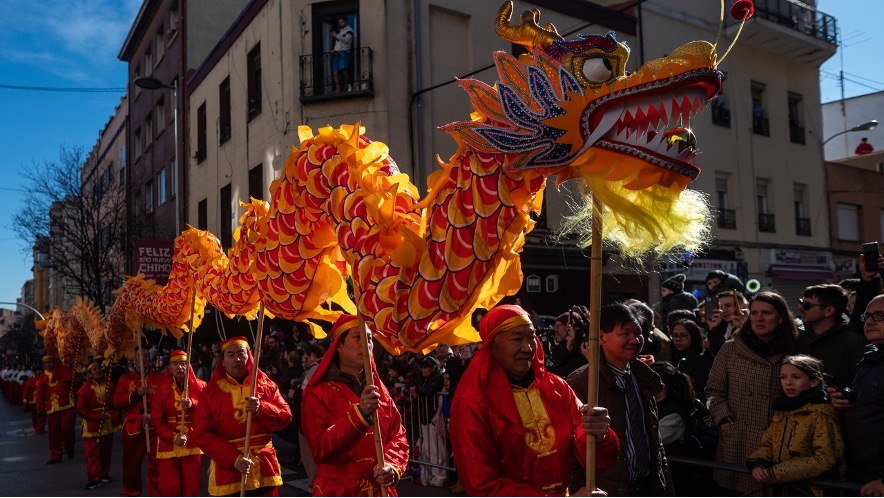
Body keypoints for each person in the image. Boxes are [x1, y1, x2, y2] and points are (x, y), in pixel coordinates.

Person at [450, 304, 619, 496]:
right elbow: (483, 486)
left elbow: (598, 459)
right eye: (517, 339)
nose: (528, 347)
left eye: (531, 337)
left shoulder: (556, 387)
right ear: (492, 345)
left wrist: (598, 434)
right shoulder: (472, 401)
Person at [567, 302, 675, 496]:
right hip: (607, 490)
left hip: (646, 487)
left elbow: (654, 441)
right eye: (625, 333)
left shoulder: (643, 377)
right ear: (602, 337)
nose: (635, 339)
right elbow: (569, 449)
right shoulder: (582, 383)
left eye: (638, 333)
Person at [301, 315, 409, 496]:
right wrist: (360, 414)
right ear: (339, 346)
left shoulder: (379, 389)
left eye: (370, 339)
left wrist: (391, 465)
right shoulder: (317, 393)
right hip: (337, 489)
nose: (366, 344)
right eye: (358, 337)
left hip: (379, 489)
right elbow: (320, 448)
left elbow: (397, 434)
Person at [706, 290, 801, 495]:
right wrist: (724, 420)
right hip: (738, 440)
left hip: (779, 440)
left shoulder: (795, 349)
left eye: (766, 313)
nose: (759, 318)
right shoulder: (731, 348)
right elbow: (713, 391)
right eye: (754, 312)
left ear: (781, 317)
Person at [193, 336, 292, 496]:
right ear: (222, 361)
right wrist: (234, 458)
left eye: (241, 353)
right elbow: (201, 434)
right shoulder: (210, 393)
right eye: (231, 355)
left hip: (264, 468)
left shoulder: (265, 385)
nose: (237, 359)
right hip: (228, 471)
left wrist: (262, 409)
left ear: (249, 356)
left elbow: (286, 417)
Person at [746, 355, 844, 496]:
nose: (788, 382)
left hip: (812, 490)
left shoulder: (820, 414)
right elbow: (768, 444)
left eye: (796, 377)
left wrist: (777, 472)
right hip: (784, 487)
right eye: (783, 377)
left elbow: (825, 459)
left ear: (813, 382)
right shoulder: (783, 410)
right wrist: (758, 463)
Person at [830, 294, 884, 496]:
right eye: (867, 316)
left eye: (879, 316)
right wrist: (847, 398)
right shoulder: (871, 356)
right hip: (861, 472)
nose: (869, 322)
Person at [152, 349, 206, 497]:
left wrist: (193, 404)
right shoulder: (162, 390)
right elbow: (157, 420)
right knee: (168, 487)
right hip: (168, 443)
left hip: (192, 443)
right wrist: (173, 437)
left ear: (189, 365)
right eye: (175, 363)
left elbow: (209, 414)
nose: (179, 367)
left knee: (191, 487)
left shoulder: (201, 387)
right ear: (169, 367)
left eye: (183, 363)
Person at [113, 347, 164, 497]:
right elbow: (116, 402)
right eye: (140, 356)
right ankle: (131, 492)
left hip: (154, 425)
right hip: (133, 424)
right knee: (131, 463)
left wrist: (154, 415)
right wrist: (136, 394)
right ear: (134, 359)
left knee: (157, 463)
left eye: (146, 355)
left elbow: (165, 401)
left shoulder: (159, 378)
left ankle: (156, 494)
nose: (143, 359)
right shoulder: (125, 379)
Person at [797, 284, 868, 389]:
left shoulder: (854, 342)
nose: (800, 308)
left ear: (828, 311)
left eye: (807, 305)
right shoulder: (796, 336)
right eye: (801, 302)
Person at [77, 362, 121, 490]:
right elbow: (81, 409)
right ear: (89, 374)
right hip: (92, 425)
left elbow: (117, 402)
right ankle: (93, 478)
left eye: (99, 369)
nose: (98, 371)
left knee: (106, 451)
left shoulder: (109, 385)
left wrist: (110, 399)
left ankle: (104, 473)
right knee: (91, 453)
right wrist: (97, 416)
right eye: (94, 370)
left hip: (108, 424)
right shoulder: (85, 389)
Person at [409, 356, 447, 487]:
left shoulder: (438, 377)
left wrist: (417, 389)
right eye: (422, 368)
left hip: (433, 417)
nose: (423, 370)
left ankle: (441, 475)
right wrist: (415, 388)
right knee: (429, 449)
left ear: (433, 368)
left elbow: (431, 390)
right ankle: (433, 474)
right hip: (424, 416)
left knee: (437, 448)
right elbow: (412, 384)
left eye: (426, 368)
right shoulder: (423, 378)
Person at [35, 355, 76, 464]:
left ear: (53, 362)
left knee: (67, 430)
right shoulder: (43, 377)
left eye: (50, 362)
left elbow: (75, 383)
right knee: (53, 434)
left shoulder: (63, 370)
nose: (48, 364)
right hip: (52, 408)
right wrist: (39, 408)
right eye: (46, 363)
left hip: (67, 406)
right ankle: (56, 455)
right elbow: (39, 394)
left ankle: (69, 447)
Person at [295, 343, 325, 485]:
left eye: (306, 358)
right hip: (314, 418)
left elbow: (306, 392)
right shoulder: (324, 367)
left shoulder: (315, 369)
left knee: (310, 454)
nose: (305, 361)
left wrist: (295, 393)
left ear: (312, 356)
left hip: (310, 419)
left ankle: (315, 485)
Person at [668, 319, 714, 402]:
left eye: (683, 335)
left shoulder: (701, 360)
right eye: (675, 335)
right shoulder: (673, 357)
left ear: (693, 336)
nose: (678, 339)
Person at [331, 17, 354, 92]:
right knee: (335, 71)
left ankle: (346, 86)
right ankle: (338, 88)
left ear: (346, 21)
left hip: (344, 52)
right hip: (337, 53)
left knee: (344, 70)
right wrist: (334, 50)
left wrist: (336, 36)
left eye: (342, 22)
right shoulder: (340, 32)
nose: (341, 24)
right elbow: (338, 43)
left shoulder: (349, 30)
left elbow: (348, 40)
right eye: (340, 23)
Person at [22, 368, 45, 434]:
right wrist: (25, 398)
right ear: (35, 372)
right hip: (33, 401)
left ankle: (41, 428)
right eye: (38, 370)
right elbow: (26, 389)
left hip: (41, 401)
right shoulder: (30, 380)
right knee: (34, 416)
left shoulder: (43, 378)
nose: (39, 372)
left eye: (40, 371)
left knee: (42, 415)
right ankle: (35, 427)